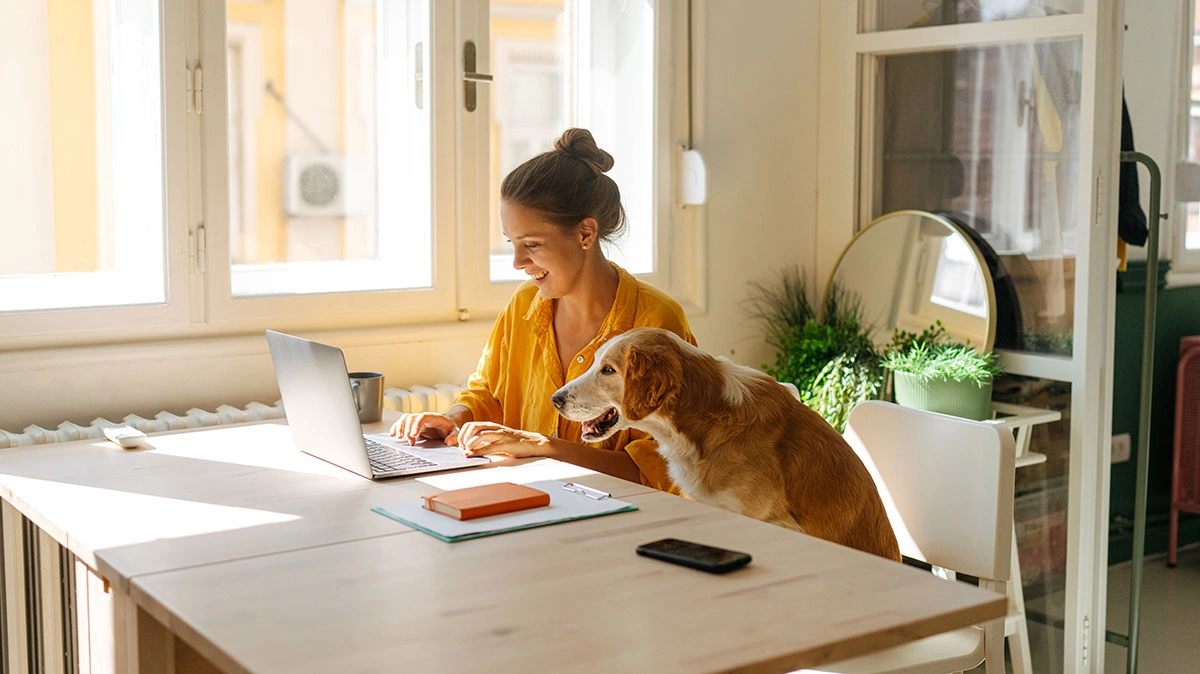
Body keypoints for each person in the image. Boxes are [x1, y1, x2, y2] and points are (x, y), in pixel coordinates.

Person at [389, 128, 695, 492]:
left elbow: (661, 470)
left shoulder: (657, 322)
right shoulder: (523, 305)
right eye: (512, 243)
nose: (518, 262)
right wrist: (452, 419)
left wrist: (548, 449)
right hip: (526, 503)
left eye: (531, 244)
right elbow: (488, 394)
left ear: (585, 234)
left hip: (620, 521)